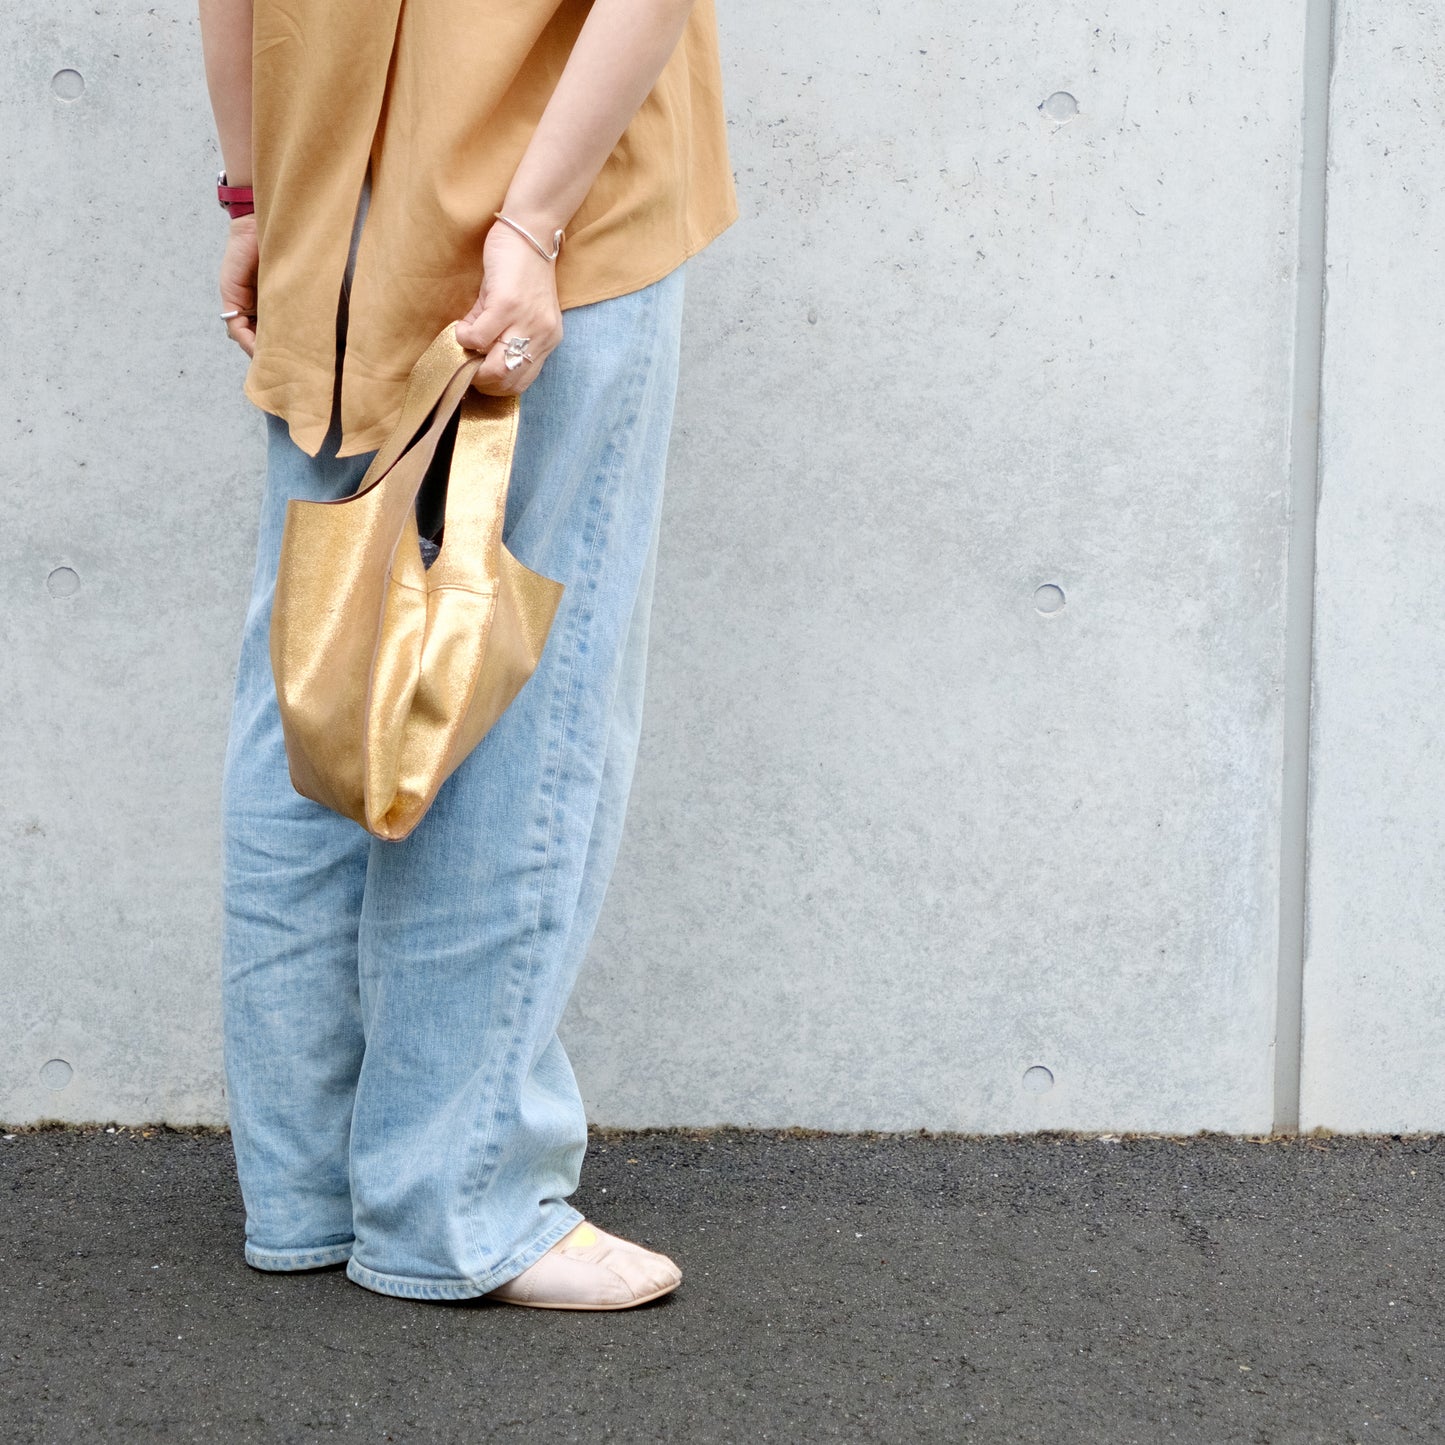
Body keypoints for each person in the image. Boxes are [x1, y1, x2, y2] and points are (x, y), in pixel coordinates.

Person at [197, 0, 737, 1309]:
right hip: (541, 220)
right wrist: (532, 224)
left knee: (311, 673)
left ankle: (306, 1185)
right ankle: (456, 1201)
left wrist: (253, 195)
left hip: (328, 218)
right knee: (519, 695)